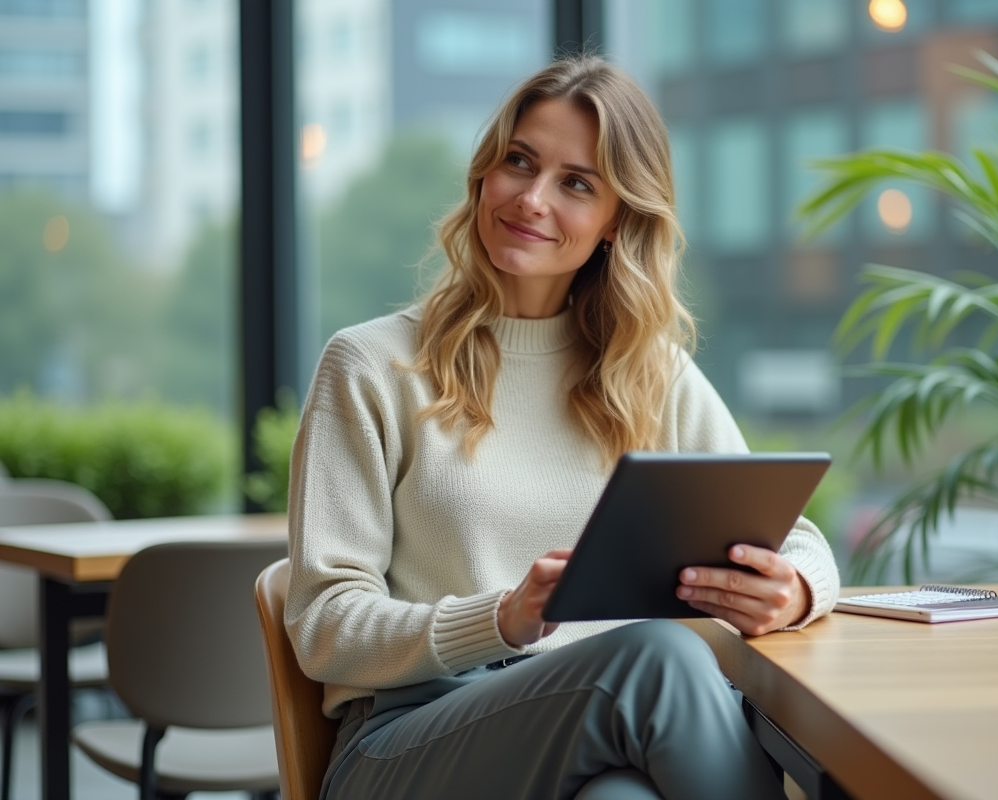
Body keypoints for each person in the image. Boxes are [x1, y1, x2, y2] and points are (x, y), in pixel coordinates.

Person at [285, 53, 840, 800]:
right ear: (485, 174)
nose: (532, 198)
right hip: (401, 746)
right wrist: (503, 618)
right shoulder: (369, 366)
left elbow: (795, 536)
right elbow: (324, 624)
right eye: (519, 162)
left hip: (594, 738)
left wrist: (796, 589)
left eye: (576, 183)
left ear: (616, 222)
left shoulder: (650, 374)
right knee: (658, 660)